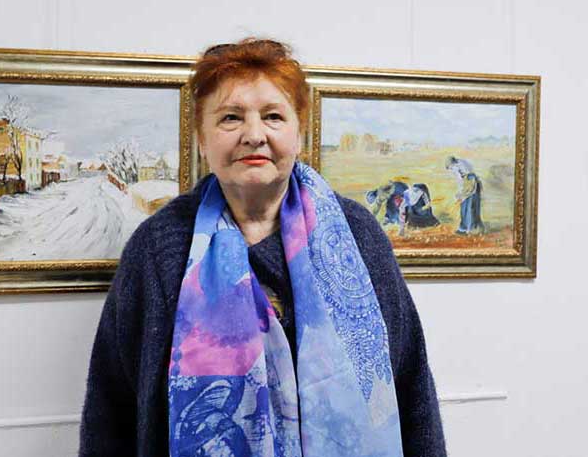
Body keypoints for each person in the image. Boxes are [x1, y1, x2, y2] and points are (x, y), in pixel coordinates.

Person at [79, 38, 445, 457]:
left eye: (273, 116)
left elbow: (411, 383)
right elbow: (111, 408)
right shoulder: (160, 247)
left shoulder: (357, 234)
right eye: (231, 118)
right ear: (201, 139)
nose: (254, 135)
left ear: (299, 133)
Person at [445, 156, 485, 235]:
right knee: (465, 208)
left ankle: (471, 229)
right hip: (470, 184)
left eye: (450, 168)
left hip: (471, 185)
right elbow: (462, 181)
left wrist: (461, 194)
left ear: (452, 165)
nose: (451, 170)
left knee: (470, 208)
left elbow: (463, 181)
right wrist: (460, 194)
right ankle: (465, 228)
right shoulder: (460, 163)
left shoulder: (457, 167)